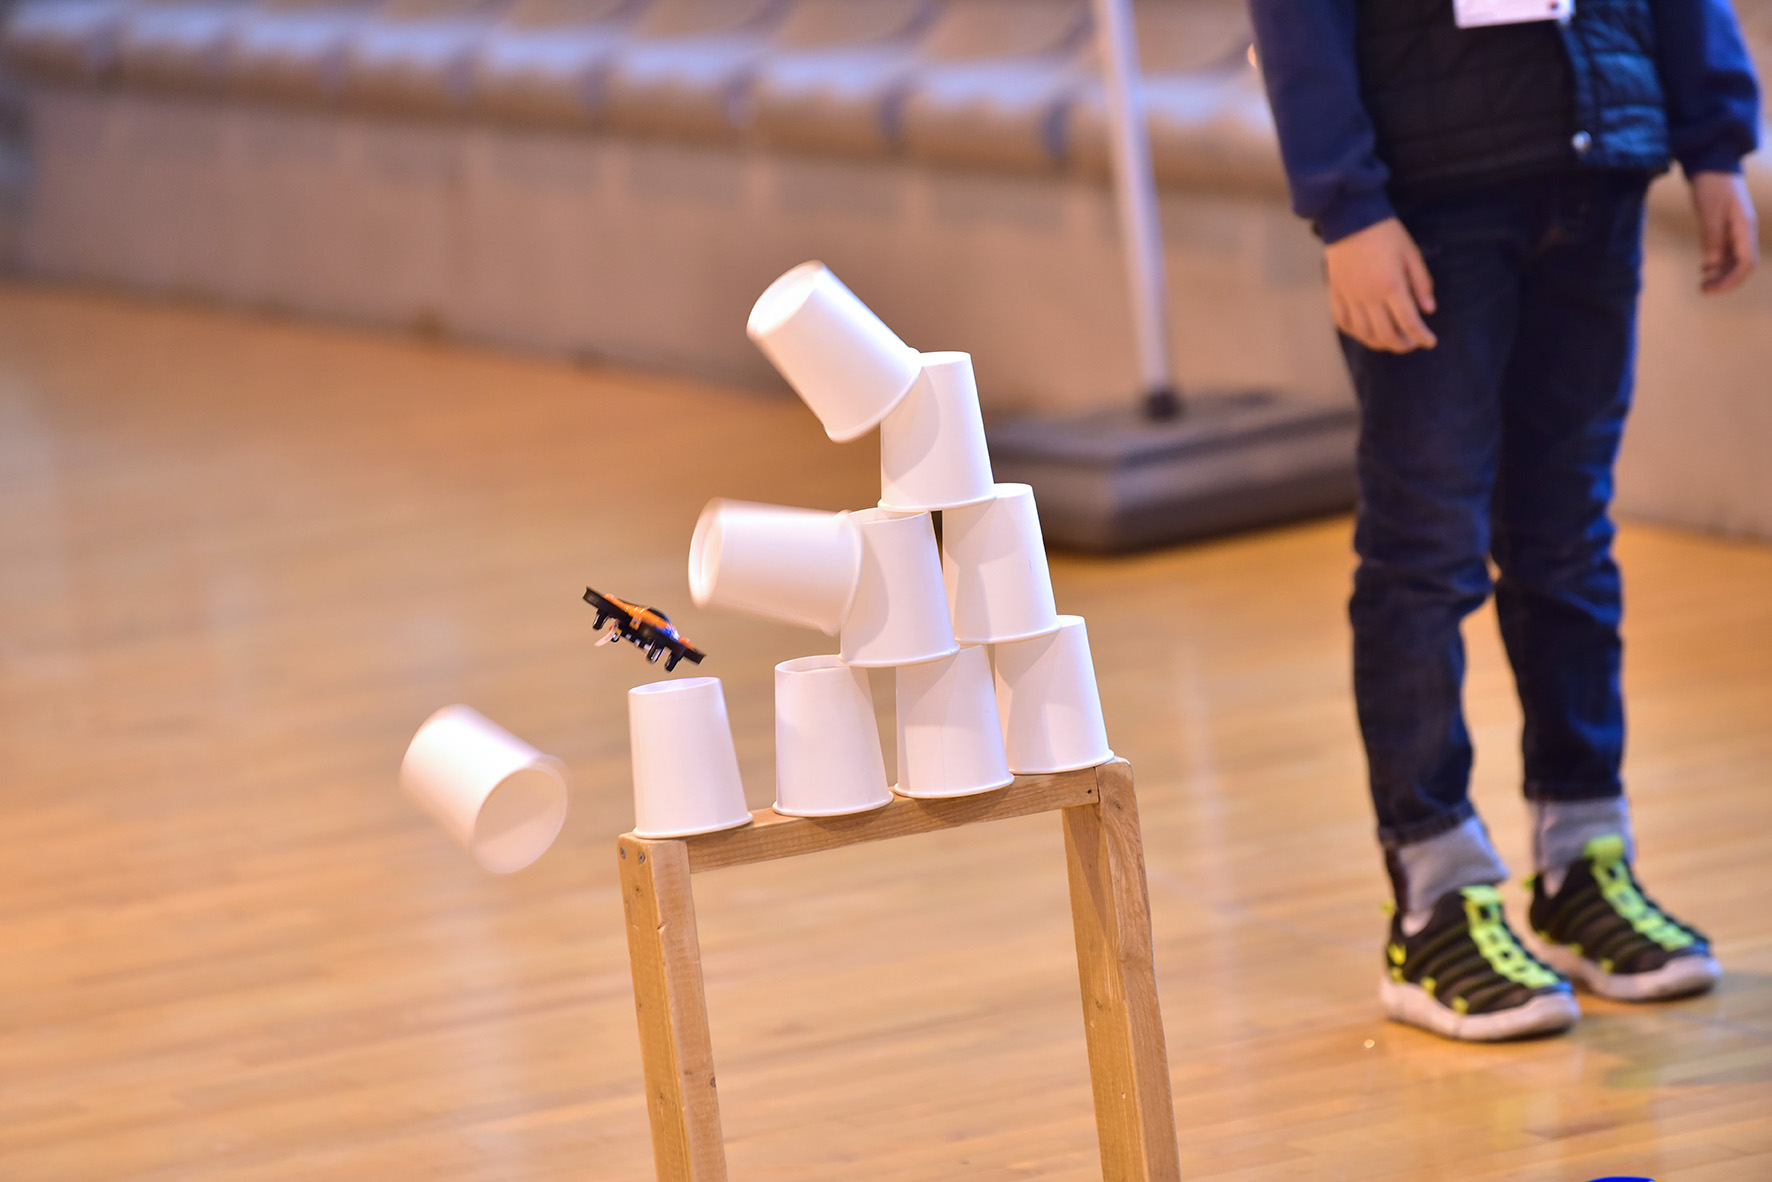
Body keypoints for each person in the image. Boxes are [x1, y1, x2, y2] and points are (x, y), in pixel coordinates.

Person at [1247, 0, 1761, 1040]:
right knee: (1426, 552)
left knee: (1568, 543)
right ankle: (1434, 898)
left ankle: (1582, 864)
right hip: (1426, 196)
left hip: (1594, 169)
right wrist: (1346, 204)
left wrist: (1714, 140)